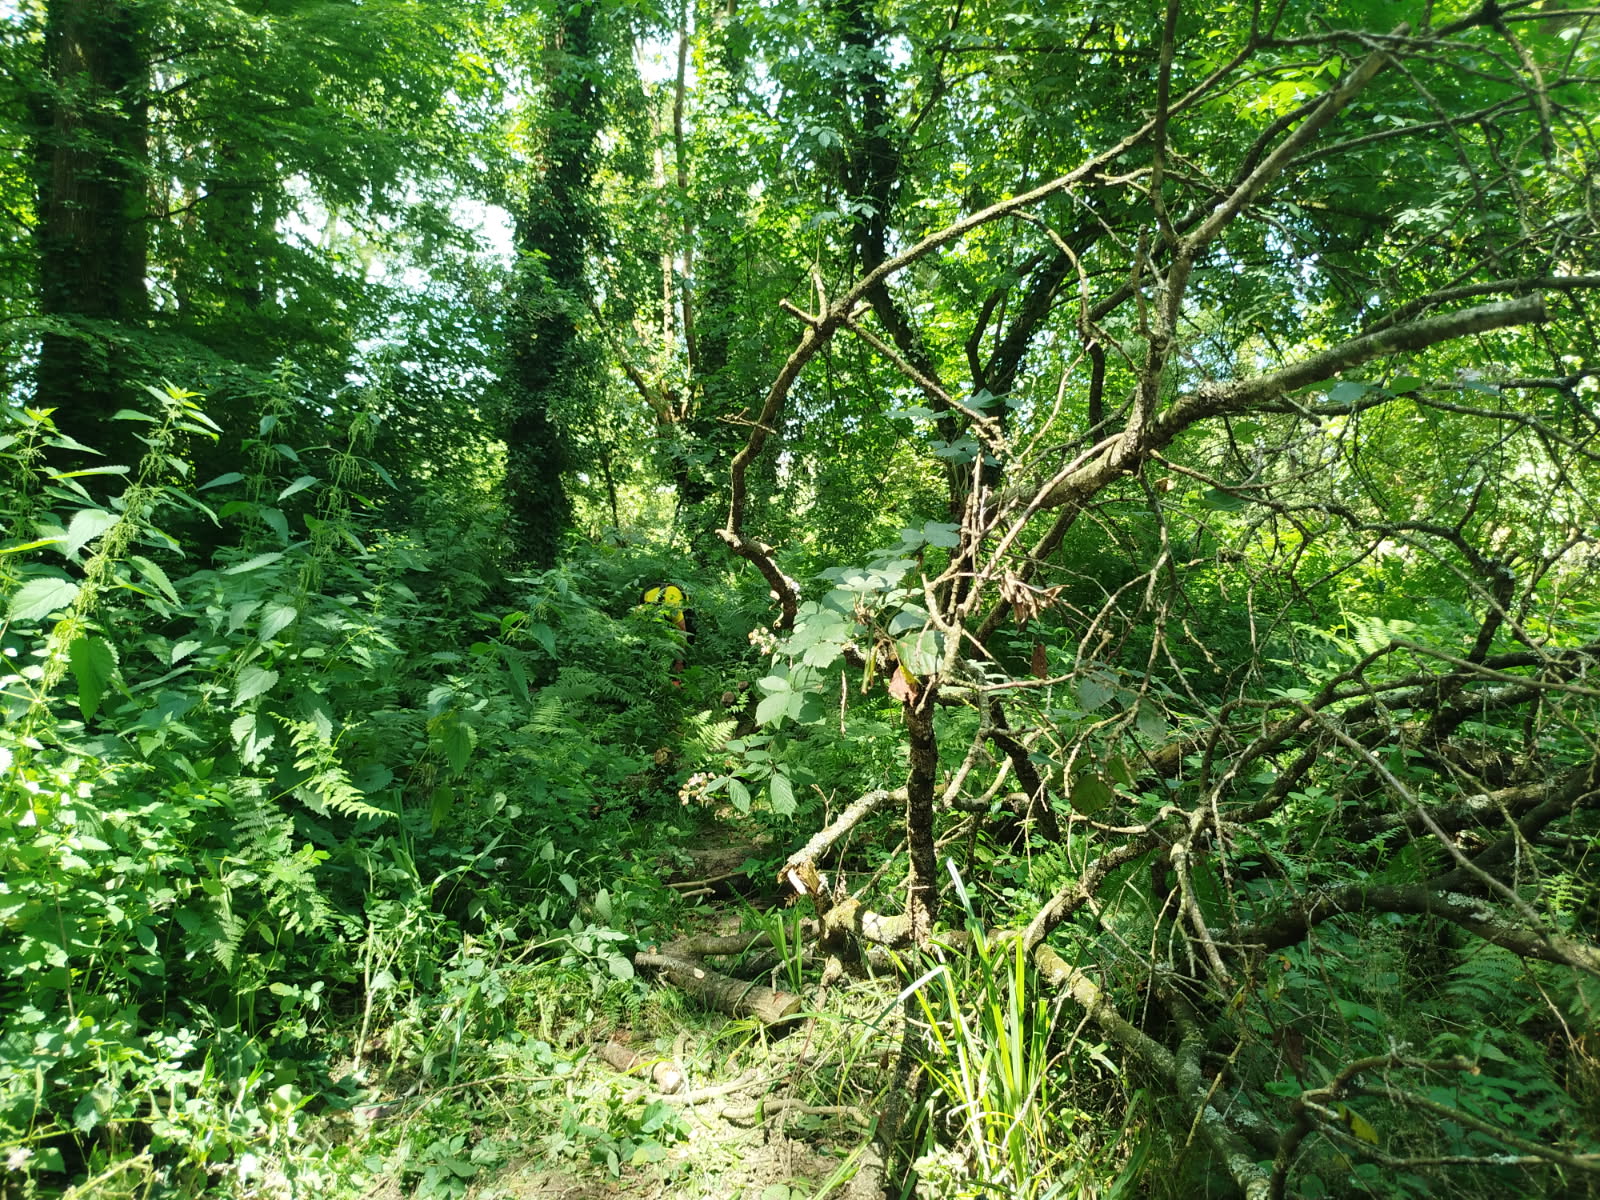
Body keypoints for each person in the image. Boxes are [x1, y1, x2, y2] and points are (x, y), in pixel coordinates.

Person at [641, 584, 694, 683]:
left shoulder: (674, 608)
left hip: (681, 603)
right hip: (653, 596)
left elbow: (682, 632)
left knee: (689, 638)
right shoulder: (642, 608)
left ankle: (679, 673)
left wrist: (679, 661)